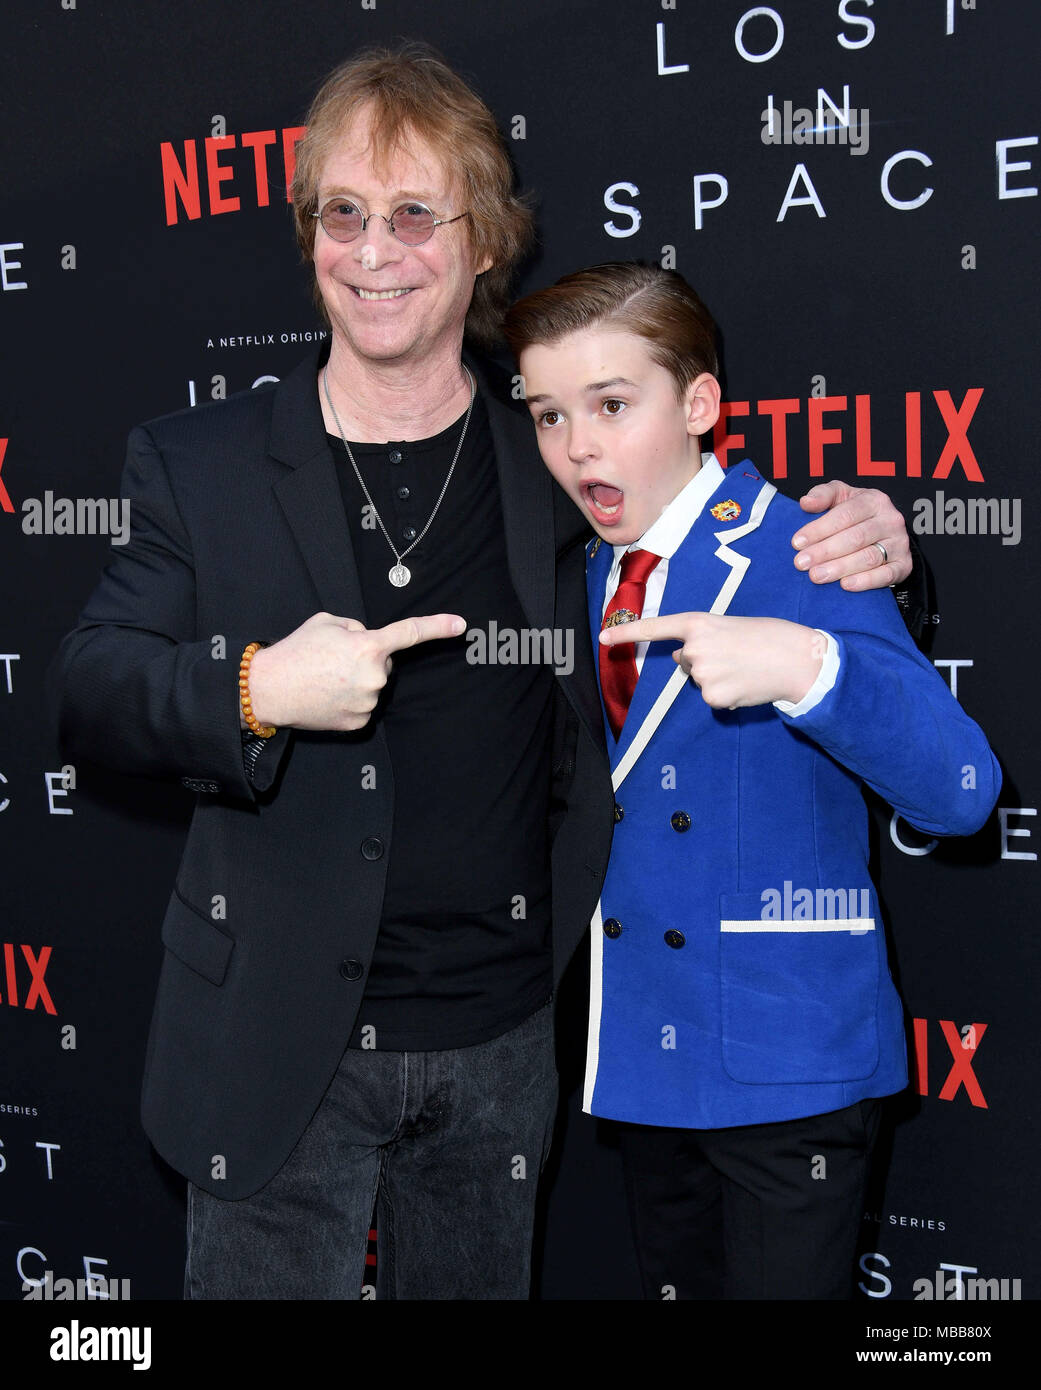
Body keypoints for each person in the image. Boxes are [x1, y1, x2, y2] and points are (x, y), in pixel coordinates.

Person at [48, 47, 915, 1301]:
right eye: (342, 213)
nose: (375, 249)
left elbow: (743, 542)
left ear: (482, 242)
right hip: (269, 1044)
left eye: (415, 214)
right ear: (307, 239)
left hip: (504, 1043)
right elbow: (89, 683)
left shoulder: (561, 454)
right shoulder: (203, 462)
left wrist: (885, 547)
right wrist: (250, 690)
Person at [504, 261, 1000, 1300]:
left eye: (610, 404)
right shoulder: (565, 573)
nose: (578, 445)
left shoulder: (809, 550)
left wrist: (808, 668)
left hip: (789, 1059)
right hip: (641, 1054)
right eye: (549, 414)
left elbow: (960, 790)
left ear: (699, 404)